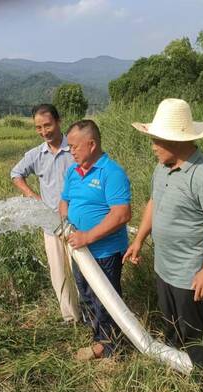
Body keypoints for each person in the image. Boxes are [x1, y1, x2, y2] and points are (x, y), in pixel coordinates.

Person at [123, 98, 203, 372]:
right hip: (164, 268)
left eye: (158, 140)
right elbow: (153, 203)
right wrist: (139, 240)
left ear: (177, 141)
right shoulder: (162, 169)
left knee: (195, 333)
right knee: (170, 325)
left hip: (189, 274)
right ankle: (174, 370)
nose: (153, 147)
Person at [59, 119, 132, 360]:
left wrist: (88, 236)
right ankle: (100, 343)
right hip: (80, 251)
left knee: (107, 301)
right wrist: (65, 223)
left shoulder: (112, 173)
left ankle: (114, 352)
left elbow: (121, 214)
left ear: (91, 145)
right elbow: (64, 201)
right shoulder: (73, 172)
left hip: (105, 253)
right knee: (87, 297)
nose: (71, 152)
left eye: (74, 147)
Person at [10, 104, 80, 323]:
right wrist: (33, 196)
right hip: (51, 225)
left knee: (82, 272)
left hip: (79, 224)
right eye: (38, 127)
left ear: (59, 121)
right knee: (59, 272)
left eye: (47, 125)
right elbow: (16, 174)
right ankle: (71, 319)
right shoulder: (36, 155)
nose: (44, 131)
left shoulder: (75, 148)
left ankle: (90, 315)